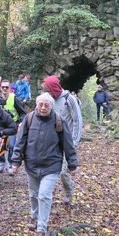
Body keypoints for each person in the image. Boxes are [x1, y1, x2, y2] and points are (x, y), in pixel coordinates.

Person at [11, 93, 78, 236]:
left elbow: (68, 144)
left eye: (46, 105)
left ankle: (42, 228)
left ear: (52, 106)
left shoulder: (58, 121)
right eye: (40, 104)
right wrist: (16, 162)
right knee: (34, 194)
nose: (43, 107)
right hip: (32, 164)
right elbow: (20, 142)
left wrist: (72, 164)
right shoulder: (29, 119)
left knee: (44, 196)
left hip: (51, 166)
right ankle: (34, 216)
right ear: (36, 105)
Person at [41, 75, 83, 206]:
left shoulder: (68, 99)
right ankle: (45, 195)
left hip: (67, 141)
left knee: (64, 172)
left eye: (46, 90)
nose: (44, 93)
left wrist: (75, 141)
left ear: (53, 88)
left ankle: (68, 192)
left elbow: (77, 120)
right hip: (52, 141)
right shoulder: (48, 100)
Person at [0, 79, 26, 173]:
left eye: (7, 87)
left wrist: (21, 123)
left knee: (12, 145)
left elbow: (22, 113)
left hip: (13, 125)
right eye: (3, 87)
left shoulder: (14, 98)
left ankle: (10, 164)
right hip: (1, 125)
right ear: (0, 88)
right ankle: (1, 163)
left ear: (10, 88)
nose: (5, 89)